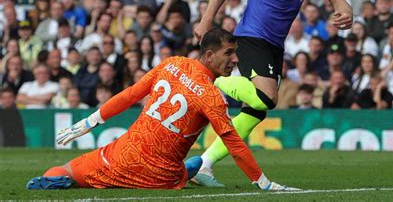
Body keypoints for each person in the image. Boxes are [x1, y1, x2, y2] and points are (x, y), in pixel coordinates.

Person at [193, 0, 352, 187]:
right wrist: (206, 20)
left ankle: (203, 165)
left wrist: (346, 13)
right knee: (267, 97)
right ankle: (211, 82)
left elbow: (339, 1)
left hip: (276, 44)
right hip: (252, 35)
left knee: (257, 110)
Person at [26, 28, 296, 191]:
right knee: (188, 167)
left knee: (64, 171)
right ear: (210, 56)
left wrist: (91, 121)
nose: (235, 59)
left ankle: (54, 180)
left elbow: (131, 95)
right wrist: (262, 182)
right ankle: (197, 170)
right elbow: (234, 144)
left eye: (235, 52)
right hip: (162, 178)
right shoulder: (213, 96)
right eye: (229, 53)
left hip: (119, 159)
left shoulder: (171, 64)